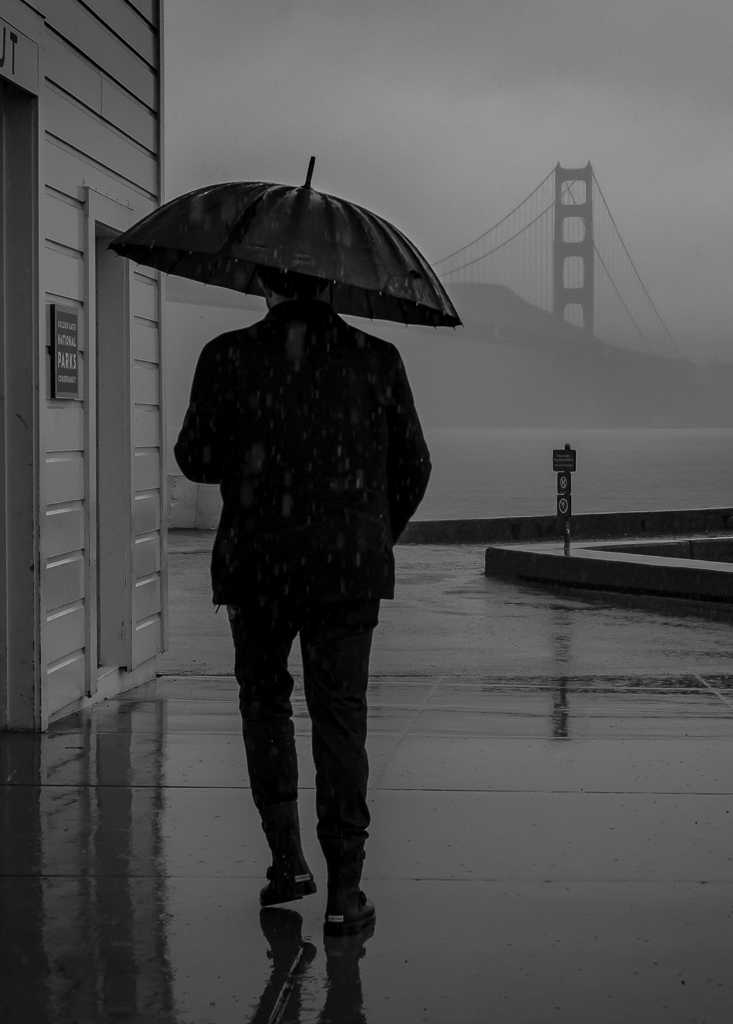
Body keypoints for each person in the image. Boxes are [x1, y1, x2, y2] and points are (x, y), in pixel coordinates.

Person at [174, 265, 431, 936]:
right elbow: (414, 465)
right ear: (336, 286)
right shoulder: (377, 359)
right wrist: (373, 535)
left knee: (264, 705)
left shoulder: (226, 355)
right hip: (348, 569)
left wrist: (252, 433)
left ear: (262, 280)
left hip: (256, 566)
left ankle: (286, 862)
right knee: (340, 719)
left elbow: (194, 459)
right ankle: (346, 893)